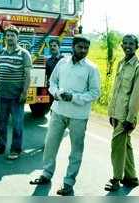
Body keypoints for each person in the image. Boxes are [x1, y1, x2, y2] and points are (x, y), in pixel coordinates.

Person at [29, 35, 100, 196]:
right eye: (80, 47)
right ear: (73, 47)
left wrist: (74, 97)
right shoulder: (62, 63)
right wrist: (57, 93)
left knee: (76, 151)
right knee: (50, 145)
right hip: (58, 111)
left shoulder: (91, 68)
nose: (83, 50)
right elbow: (52, 83)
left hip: (78, 116)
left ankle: (68, 182)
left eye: (86, 48)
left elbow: (95, 93)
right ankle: (46, 174)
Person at [104, 35, 139, 191]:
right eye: (125, 43)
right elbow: (117, 90)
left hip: (126, 116)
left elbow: (136, 96)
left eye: (131, 44)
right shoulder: (121, 63)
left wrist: (130, 118)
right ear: (122, 45)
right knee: (125, 145)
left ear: (137, 46)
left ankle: (116, 179)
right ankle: (131, 177)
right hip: (116, 113)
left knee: (116, 147)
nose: (128, 46)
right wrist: (111, 112)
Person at [0, 25, 31, 160]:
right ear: (4, 38)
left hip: (16, 96)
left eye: (12, 35)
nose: (10, 38)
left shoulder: (24, 54)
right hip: (1, 94)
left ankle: (16, 150)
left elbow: (27, 75)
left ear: (17, 38)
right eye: (7, 35)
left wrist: (24, 93)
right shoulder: (0, 53)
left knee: (17, 124)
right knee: (0, 123)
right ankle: (0, 147)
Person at [45, 39, 64, 104]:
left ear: (59, 47)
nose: (52, 47)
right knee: (52, 108)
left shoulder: (64, 60)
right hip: (52, 89)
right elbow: (47, 75)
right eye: (51, 46)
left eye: (54, 46)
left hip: (62, 88)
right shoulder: (48, 61)